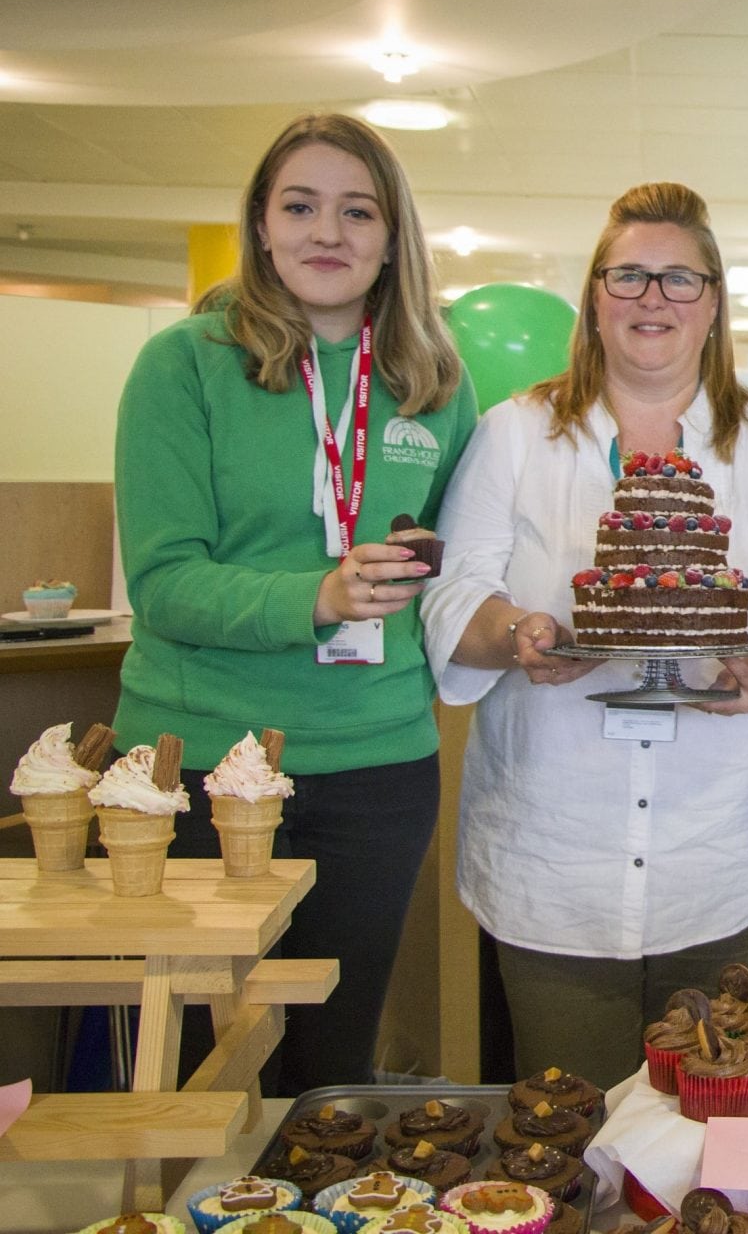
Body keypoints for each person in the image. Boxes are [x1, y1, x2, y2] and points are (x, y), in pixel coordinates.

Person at [420, 182, 748, 1089]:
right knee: (570, 1119)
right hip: (553, 850)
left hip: (720, 840)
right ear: (594, 298)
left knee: (703, 1114)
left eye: (680, 279)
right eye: (629, 276)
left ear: (714, 302)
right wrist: (519, 634)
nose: (654, 299)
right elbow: (454, 592)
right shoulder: (518, 433)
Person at [112, 113, 476, 1093]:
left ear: (393, 236)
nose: (329, 232)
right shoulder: (185, 363)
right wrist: (317, 593)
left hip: (378, 763)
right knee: (201, 1076)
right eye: (301, 206)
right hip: (198, 767)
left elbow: (459, 563)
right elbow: (164, 580)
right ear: (262, 227)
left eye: (358, 210)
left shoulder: (435, 382)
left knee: (331, 1069)